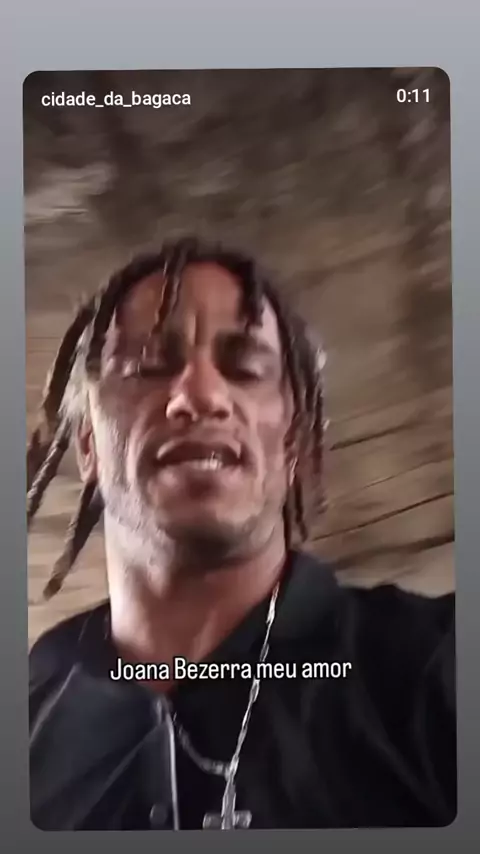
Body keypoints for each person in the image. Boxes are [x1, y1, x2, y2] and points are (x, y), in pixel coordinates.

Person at [28, 237, 456, 831]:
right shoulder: (30, 709)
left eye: (246, 368)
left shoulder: (439, 667)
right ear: (87, 446)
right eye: (148, 364)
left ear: (291, 441)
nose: (200, 395)